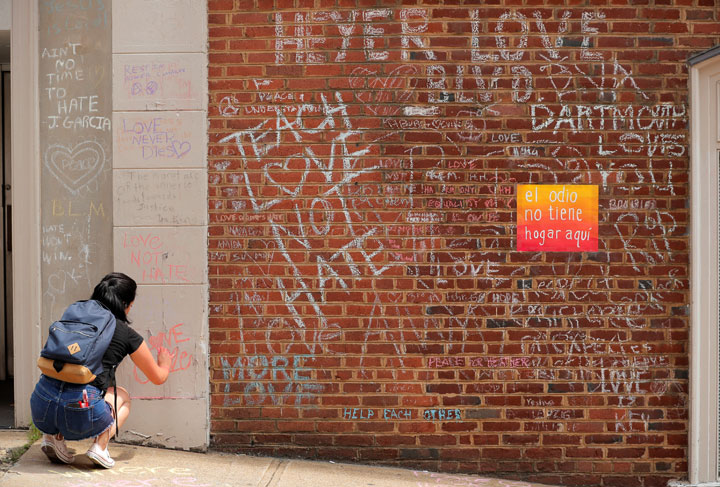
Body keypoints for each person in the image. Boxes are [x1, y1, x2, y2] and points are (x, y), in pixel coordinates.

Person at [30, 272, 174, 468]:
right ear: (126, 305)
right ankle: (100, 446)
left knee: (61, 382)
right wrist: (165, 363)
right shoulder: (125, 333)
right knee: (122, 396)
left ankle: (52, 436)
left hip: (40, 406)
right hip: (80, 414)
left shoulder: (73, 313)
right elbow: (158, 378)